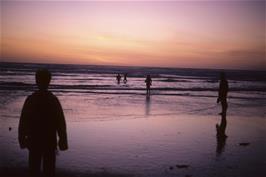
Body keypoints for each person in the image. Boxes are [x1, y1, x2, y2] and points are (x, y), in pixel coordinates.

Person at [18, 69, 68, 177]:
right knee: (49, 170)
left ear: (36, 81)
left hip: (34, 139)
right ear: (49, 81)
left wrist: (22, 138)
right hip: (49, 140)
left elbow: (23, 121)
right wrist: (63, 139)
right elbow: (60, 122)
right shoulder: (53, 100)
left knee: (34, 169)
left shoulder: (31, 99)